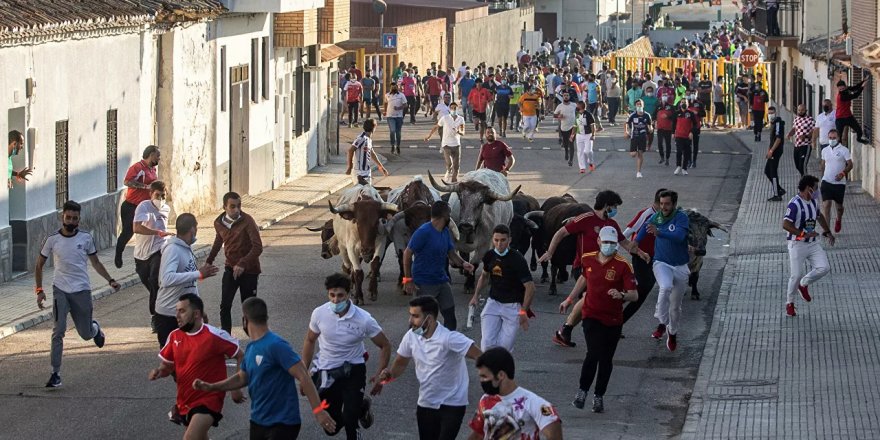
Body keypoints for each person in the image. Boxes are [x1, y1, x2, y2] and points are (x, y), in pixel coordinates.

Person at [193, 297, 335, 438]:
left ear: (245, 319)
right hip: (258, 421)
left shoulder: (276, 345)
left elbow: (303, 375)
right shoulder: (251, 348)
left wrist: (318, 410)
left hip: (283, 422)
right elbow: (242, 378)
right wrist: (212, 387)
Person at [540, 191, 649, 348]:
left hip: (606, 270)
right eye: (614, 206)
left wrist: (640, 252)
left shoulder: (612, 224)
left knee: (607, 298)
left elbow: (625, 244)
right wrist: (550, 252)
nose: (615, 210)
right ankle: (568, 330)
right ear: (606, 206)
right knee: (590, 297)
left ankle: (569, 330)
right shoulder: (586, 219)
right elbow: (561, 232)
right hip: (584, 268)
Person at [371, 296, 482, 440]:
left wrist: (489, 380)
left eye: (415, 316)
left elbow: (480, 356)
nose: (410, 321)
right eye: (410, 315)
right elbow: (401, 363)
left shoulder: (449, 338)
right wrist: (388, 375)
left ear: (429, 319)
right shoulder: (411, 336)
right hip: (427, 401)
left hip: (453, 403)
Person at [35, 200, 119, 388]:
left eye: (75, 218)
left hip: (81, 290)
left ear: (79, 219)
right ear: (62, 217)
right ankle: (55, 373)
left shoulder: (86, 238)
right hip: (60, 290)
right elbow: (39, 264)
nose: (71, 221)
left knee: (86, 334)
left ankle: (95, 328)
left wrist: (110, 280)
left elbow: (96, 262)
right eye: (68, 218)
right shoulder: (52, 240)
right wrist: (39, 290)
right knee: (58, 331)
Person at [302, 273, 391, 440]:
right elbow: (310, 340)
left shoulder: (364, 319)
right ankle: (361, 407)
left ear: (349, 294)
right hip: (326, 370)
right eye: (332, 295)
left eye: (340, 295)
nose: (336, 300)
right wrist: (304, 372)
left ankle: (355, 410)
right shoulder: (319, 313)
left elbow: (384, 345)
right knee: (331, 428)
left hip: (353, 370)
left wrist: (380, 375)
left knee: (350, 419)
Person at [562, 227, 637, 413]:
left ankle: (599, 395)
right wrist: (570, 299)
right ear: (598, 242)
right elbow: (583, 279)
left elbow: (634, 295)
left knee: (606, 359)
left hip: (613, 319)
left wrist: (621, 295)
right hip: (591, 315)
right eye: (606, 242)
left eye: (613, 243)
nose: (609, 246)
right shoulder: (588, 258)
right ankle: (582, 392)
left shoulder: (623, 265)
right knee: (593, 353)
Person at [149, 294, 245, 440]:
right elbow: (167, 366)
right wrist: (159, 371)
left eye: (182, 311)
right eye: (176, 311)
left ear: (196, 314)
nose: (177, 316)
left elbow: (241, 355)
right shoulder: (175, 336)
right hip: (186, 399)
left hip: (209, 398)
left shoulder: (214, 335)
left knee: (190, 438)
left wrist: (236, 388)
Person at [403, 201, 475, 330]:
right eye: (449, 214)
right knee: (420, 319)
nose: (450, 217)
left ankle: (448, 342)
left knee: (450, 315)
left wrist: (463, 264)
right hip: (424, 283)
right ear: (444, 216)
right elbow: (407, 254)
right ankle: (412, 344)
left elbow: (451, 253)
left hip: (441, 280)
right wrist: (407, 279)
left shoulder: (445, 232)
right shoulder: (423, 232)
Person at [467, 347, 562, 440]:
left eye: (484, 376)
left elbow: (555, 435)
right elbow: (478, 435)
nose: (481, 381)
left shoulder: (534, 403)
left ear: (501, 375)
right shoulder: (485, 400)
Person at [635, 190, 690, 352]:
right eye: (661, 203)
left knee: (675, 307)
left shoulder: (681, 217)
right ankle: (661, 319)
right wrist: (636, 242)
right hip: (661, 262)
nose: (663, 207)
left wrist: (660, 233)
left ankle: (672, 332)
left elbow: (680, 236)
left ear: (673, 204)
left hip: (680, 265)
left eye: (667, 204)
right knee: (665, 287)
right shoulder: (658, 216)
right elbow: (646, 228)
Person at [469, 224, 535, 352]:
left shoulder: (517, 259)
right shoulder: (489, 256)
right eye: (496, 240)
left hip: (512, 307)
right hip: (493, 303)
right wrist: (475, 296)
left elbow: (530, 287)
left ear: (509, 240)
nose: (499, 244)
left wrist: (523, 311)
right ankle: (490, 370)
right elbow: (484, 276)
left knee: (504, 348)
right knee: (487, 345)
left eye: (503, 240)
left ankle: (502, 369)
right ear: (492, 240)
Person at [156, 213, 219, 347]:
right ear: (192, 229)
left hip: (186, 314)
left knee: (191, 356)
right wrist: (198, 274)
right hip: (169, 316)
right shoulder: (173, 249)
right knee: (172, 361)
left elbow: (190, 285)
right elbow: (166, 279)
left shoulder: (185, 248)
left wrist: (199, 309)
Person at [205, 192, 264, 334]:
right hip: (230, 268)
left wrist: (243, 263)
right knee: (225, 305)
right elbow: (218, 242)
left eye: (239, 206)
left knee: (248, 307)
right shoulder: (218, 223)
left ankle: (252, 336)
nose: (236, 210)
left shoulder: (248, 221)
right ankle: (226, 338)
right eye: (232, 207)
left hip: (249, 270)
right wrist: (209, 261)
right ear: (225, 207)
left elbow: (258, 247)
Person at [782, 175, 836, 316]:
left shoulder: (813, 202)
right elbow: (786, 224)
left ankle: (803, 284)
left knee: (824, 267)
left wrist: (827, 231)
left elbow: (819, 216)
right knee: (796, 274)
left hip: (813, 244)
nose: (817, 191)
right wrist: (801, 234)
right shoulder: (794, 204)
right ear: (808, 188)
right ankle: (790, 303)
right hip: (797, 244)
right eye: (816, 188)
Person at [621, 188, 667, 324]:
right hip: (641, 257)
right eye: (664, 204)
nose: (666, 207)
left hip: (657, 258)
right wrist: (614, 250)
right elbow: (628, 231)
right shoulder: (647, 214)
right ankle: (615, 309)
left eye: (669, 204)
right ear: (658, 203)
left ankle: (619, 321)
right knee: (643, 287)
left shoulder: (668, 216)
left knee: (643, 292)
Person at [133, 180, 172, 328]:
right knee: (148, 282)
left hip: (159, 249)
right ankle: (164, 299)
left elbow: (163, 231)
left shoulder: (166, 209)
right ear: (151, 194)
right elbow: (137, 228)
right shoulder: (144, 207)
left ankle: (156, 316)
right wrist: (157, 232)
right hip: (142, 254)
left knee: (155, 279)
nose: (160, 199)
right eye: (157, 195)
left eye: (163, 196)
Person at [116, 145, 160, 268]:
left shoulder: (153, 170)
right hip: (131, 206)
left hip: (145, 207)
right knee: (128, 232)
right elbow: (127, 181)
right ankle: (118, 254)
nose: (159, 158)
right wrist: (145, 187)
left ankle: (146, 257)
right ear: (151, 155)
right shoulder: (137, 167)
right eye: (158, 156)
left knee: (148, 231)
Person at [819, 129, 852, 233]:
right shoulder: (824, 150)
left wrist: (842, 174)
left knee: (839, 208)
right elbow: (823, 165)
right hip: (826, 182)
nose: (832, 140)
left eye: (834, 138)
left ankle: (838, 219)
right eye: (830, 138)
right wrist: (822, 178)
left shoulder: (844, 150)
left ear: (838, 138)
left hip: (839, 184)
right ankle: (827, 230)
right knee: (826, 205)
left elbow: (850, 165)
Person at [426, 101, 466, 182]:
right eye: (452, 108)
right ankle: (448, 170)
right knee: (449, 163)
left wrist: (458, 131)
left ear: (458, 109)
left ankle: (454, 182)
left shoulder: (461, 119)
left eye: (455, 108)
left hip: (456, 144)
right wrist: (429, 136)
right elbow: (436, 127)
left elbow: (462, 132)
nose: (453, 110)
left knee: (456, 166)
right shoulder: (445, 118)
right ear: (449, 109)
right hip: (446, 144)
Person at [344, 118, 388, 185]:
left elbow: (372, 153)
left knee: (367, 192)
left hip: (367, 171)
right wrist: (350, 166)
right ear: (374, 127)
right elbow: (351, 150)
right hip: (359, 172)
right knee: (363, 192)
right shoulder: (361, 138)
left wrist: (381, 167)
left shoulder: (369, 139)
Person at [834, 79, 870, 144]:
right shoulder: (842, 96)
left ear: (845, 86)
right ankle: (838, 148)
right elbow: (855, 95)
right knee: (839, 136)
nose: (841, 90)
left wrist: (864, 81)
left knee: (859, 131)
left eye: (842, 88)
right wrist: (862, 87)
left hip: (848, 116)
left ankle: (859, 139)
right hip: (840, 118)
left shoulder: (847, 89)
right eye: (840, 89)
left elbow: (855, 88)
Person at [625, 98, 653, 178]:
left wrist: (650, 128)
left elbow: (650, 124)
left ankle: (638, 172)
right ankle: (635, 151)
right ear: (635, 106)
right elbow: (626, 123)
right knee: (633, 154)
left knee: (640, 154)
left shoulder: (647, 115)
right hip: (634, 136)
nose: (639, 105)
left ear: (643, 105)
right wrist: (626, 131)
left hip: (643, 137)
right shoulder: (633, 115)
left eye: (640, 104)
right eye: (637, 104)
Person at [765, 107, 787, 201]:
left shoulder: (778, 123)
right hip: (772, 150)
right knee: (767, 171)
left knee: (773, 172)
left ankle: (777, 194)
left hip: (776, 151)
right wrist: (768, 150)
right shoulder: (773, 123)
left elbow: (778, 139)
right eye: (769, 113)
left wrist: (771, 151)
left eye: (772, 113)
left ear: (775, 112)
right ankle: (779, 189)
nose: (770, 115)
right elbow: (772, 139)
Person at [787, 104, 815, 177]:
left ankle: (806, 183)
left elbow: (814, 131)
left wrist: (805, 136)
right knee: (797, 165)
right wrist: (789, 134)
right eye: (799, 110)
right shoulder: (796, 118)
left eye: (802, 110)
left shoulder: (810, 119)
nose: (800, 111)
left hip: (806, 145)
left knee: (802, 165)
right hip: (797, 145)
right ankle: (805, 179)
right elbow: (794, 129)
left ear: (806, 110)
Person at [672, 99, 699, 175]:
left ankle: (684, 168)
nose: (683, 104)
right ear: (680, 104)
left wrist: (691, 132)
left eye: (685, 103)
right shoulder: (677, 113)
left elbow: (695, 125)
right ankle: (678, 166)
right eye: (682, 102)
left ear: (688, 104)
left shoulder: (690, 113)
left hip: (687, 136)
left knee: (687, 152)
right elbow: (674, 123)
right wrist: (673, 133)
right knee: (679, 151)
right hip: (679, 135)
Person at [573, 101, 597, 173]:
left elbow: (592, 125)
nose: (576, 107)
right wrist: (572, 135)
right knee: (580, 151)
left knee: (587, 151)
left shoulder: (589, 115)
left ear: (581, 106)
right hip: (579, 135)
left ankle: (590, 162)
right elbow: (575, 125)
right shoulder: (577, 115)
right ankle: (582, 167)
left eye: (577, 105)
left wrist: (593, 135)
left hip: (588, 135)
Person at [554, 92, 577, 166]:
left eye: (567, 95)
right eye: (564, 96)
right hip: (564, 128)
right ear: (563, 97)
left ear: (569, 96)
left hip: (573, 127)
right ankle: (566, 152)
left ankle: (571, 160)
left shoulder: (574, 105)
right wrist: (559, 116)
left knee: (571, 143)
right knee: (565, 144)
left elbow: (581, 110)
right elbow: (554, 115)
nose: (566, 97)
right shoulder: (560, 106)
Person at [384, 83, 407, 154]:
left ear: (397, 87)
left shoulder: (401, 95)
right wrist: (385, 111)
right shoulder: (387, 95)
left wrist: (399, 108)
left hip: (399, 116)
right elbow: (385, 103)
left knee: (398, 132)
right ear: (390, 88)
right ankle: (392, 145)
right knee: (392, 131)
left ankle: (398, 146)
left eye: (395, 87)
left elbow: (405, 104)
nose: (393, 88)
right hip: (390, 116)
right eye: (392, 87)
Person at [686, 89, 705, 168]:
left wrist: (698, 113)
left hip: (696, 126)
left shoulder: (699, 104)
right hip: (687, 127)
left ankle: (694, 160)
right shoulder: (686, 103)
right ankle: (689, 160)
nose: (693, 94)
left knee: (695, 145)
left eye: (694, 93)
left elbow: (704, 114)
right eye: (691, 93)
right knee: (688, 145)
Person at [655, 101, 675, 166]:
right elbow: (654, 115)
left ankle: (667, 158)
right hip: (660, 128)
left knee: (668, 144)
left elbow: (675, 116)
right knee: (659, 143)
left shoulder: (671, 106)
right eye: (663, 95)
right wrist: (653, 121)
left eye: (665, 95)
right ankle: (662, 157)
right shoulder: (658, 106)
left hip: (668, 128)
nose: (664, 97)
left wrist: (667, 116)